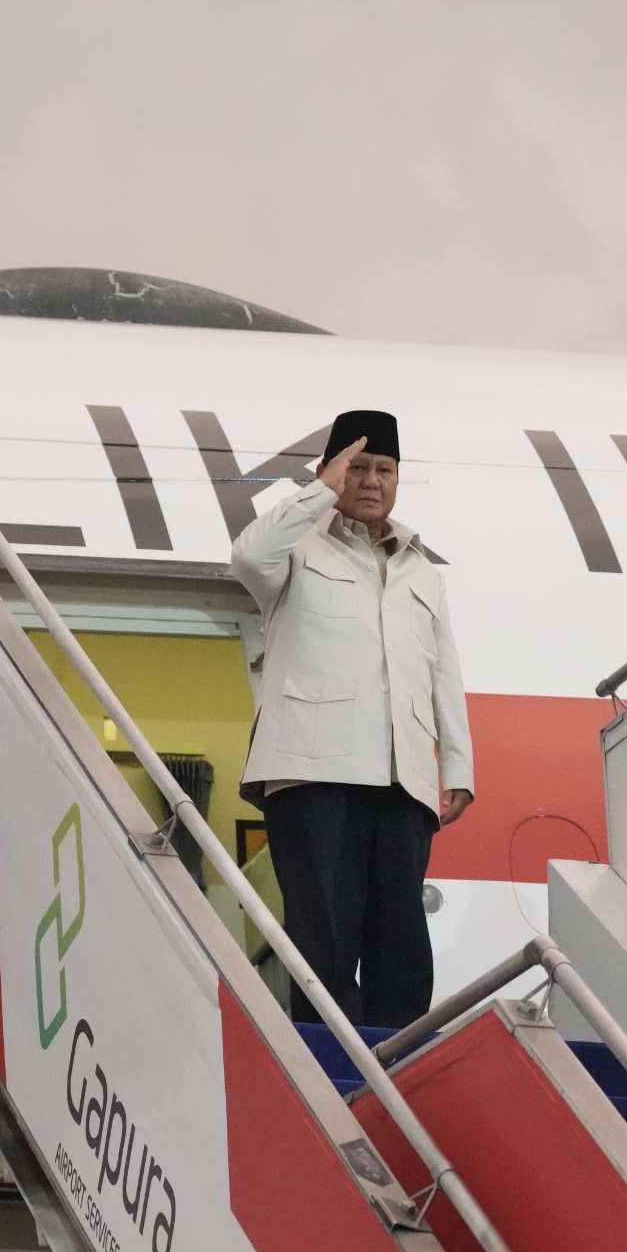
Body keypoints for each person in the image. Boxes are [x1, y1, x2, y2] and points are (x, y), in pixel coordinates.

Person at [231, 409, 473, 1028]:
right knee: (324, 939)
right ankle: (328, 1062)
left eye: (383, 469)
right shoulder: (295, 546)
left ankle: (398, 1060)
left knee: (402, 940)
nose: (370, 481)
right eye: (356, 467)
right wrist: (319, 492)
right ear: (331, 471)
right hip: (313, 771)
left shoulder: (421, 568)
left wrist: (457, 767)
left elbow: (443, 670)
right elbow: (247, 557)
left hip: (402, 777)